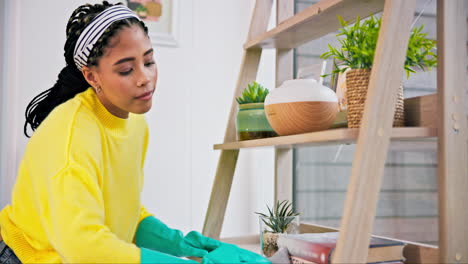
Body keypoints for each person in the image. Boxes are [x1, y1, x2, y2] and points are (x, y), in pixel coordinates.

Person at [0, 2, 271, 263]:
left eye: (149, 61)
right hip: (25, 256)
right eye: (127, 69)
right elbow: (83, 249)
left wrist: (186, 245)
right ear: (91, 77)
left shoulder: (133, 122)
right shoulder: (72, 137)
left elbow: (126, 214)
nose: (145, 78)